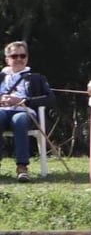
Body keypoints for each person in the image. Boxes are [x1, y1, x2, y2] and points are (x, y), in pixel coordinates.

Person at [0, 41, 55, 182]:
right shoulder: (1, 77)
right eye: (14, 56)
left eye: (22, 55)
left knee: (19, 120)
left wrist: (23, 101)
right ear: (7, 59)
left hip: (24, 111)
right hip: (2, 111)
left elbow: (50, 99)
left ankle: (22, 167)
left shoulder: (36, 78)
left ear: (27, 58)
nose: (19, 59)